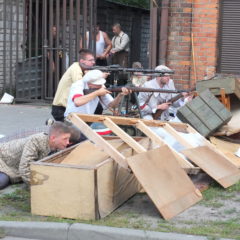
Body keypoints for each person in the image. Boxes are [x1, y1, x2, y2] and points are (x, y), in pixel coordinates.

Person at [0, 122, 74, 190]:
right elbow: (25, 168)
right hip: (3, 160)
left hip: (14, 168)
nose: (67, 142)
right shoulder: (36, 141)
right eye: (65, 139)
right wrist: (39, 188)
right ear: (53, 138)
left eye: (68, 139)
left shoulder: (57, 147)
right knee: (2, 182)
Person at [51, 49, 97, 121]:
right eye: (90, 60)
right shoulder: (76, 69)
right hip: (61, 108)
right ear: (82, 61)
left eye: (93, 60)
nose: (93, 62)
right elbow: (82, 86)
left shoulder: (81, 69)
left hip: (67, 107)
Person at [64, 69, 131, 117]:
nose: (100, 85)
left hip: (87, 119)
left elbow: (112, 105)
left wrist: (120, 95)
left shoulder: (100, 86)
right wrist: (97, 93)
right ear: (89, 83)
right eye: (97, 84)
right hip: (72, 119)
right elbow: (77, 102)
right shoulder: (78, 84)